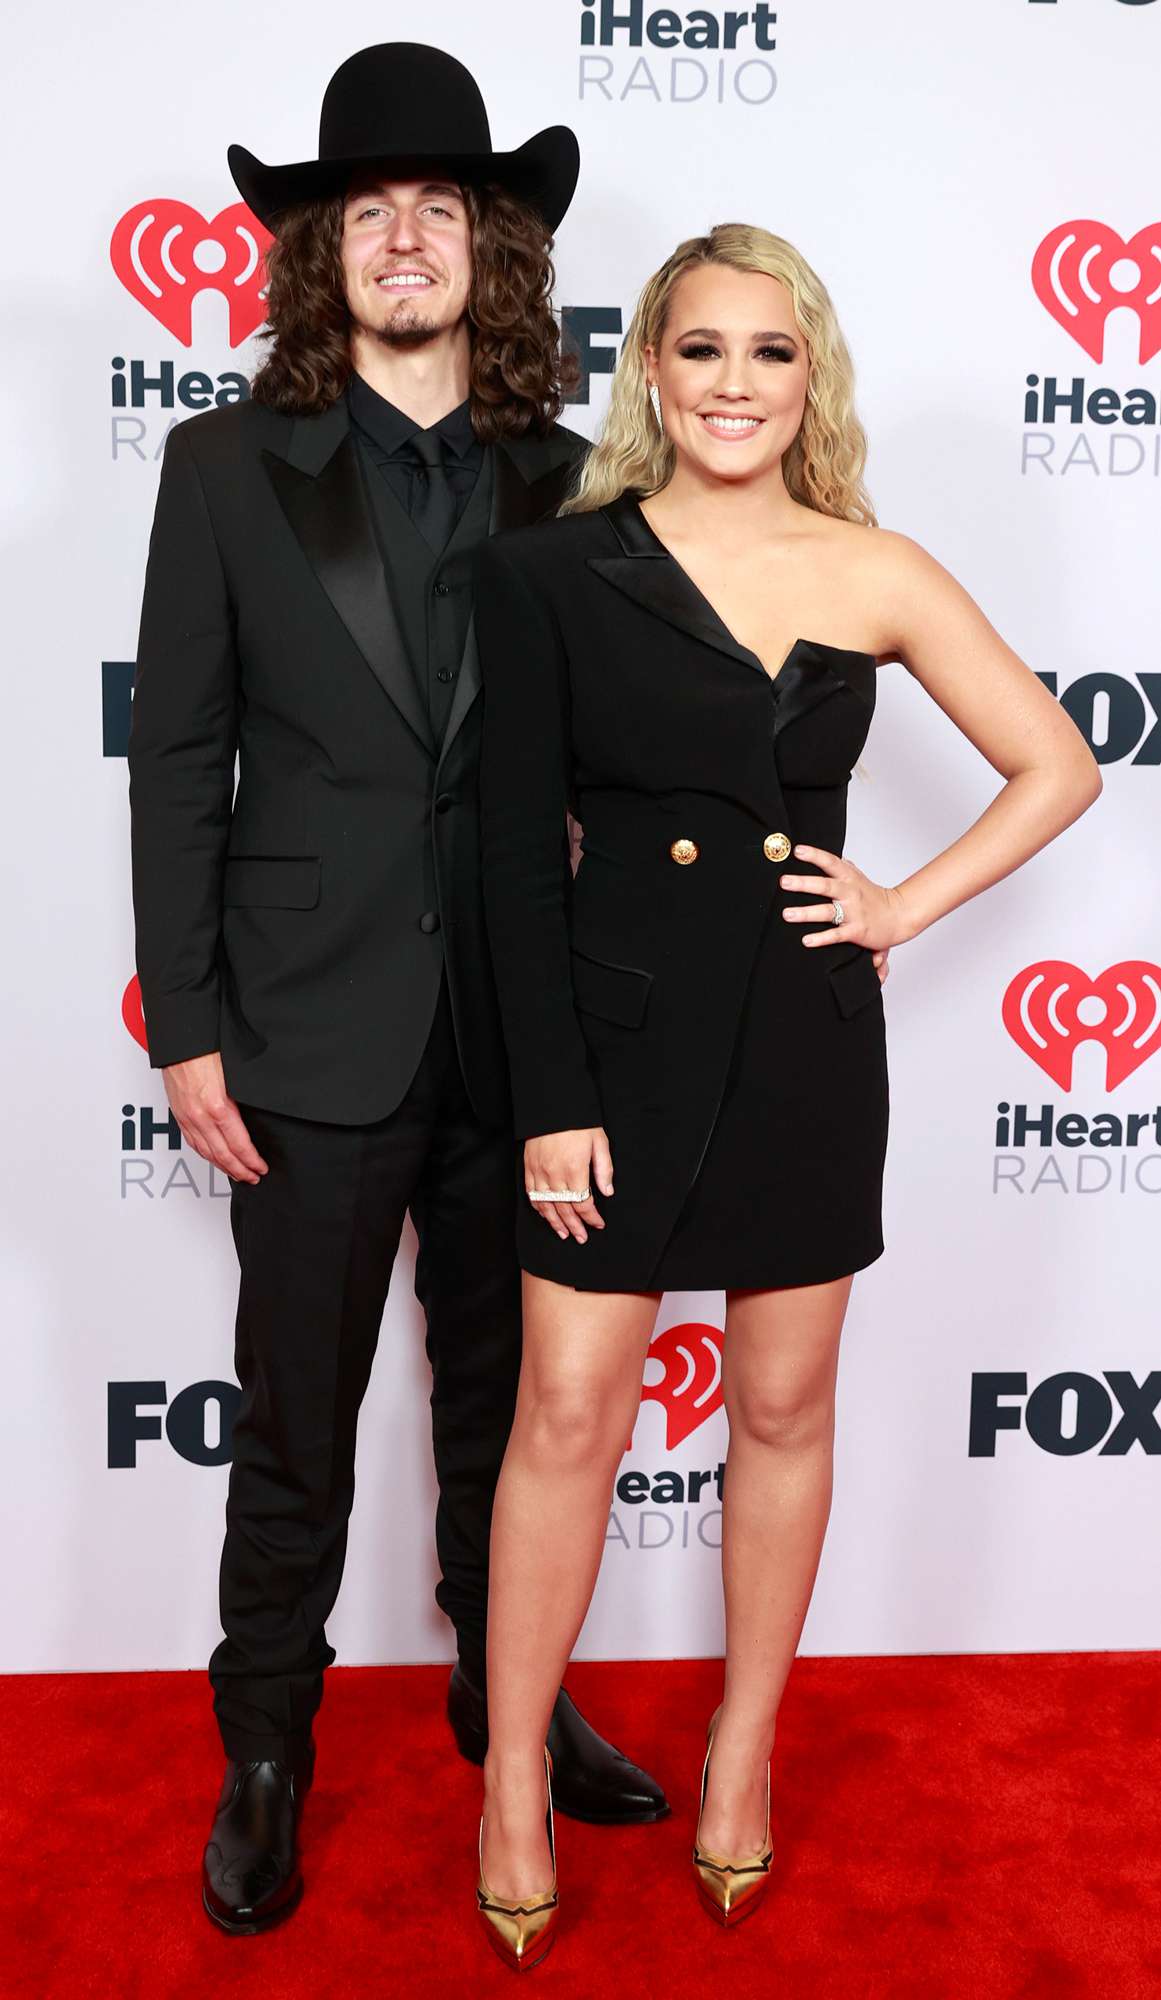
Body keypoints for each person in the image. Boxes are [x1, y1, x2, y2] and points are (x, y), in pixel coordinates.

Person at [471, 222, 1101, 1967]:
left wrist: (899, 901)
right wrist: (547, 1095)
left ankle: (742, 1751)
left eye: (768, 351)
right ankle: (514, 1772)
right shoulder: (550, 573)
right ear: (649, 375)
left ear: (805, 374)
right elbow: (516, 861)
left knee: (782, 1410)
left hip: (803, 1044)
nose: (733, 384)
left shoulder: (873, 567)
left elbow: (1056, 760)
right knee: (565, 1415)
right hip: (606, 1047)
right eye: (699, 350)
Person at [128, 41, 667, 1940]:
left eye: (443, 209)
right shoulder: (222, 466)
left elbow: (614, 747)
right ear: (320, 254)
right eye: (371, 214)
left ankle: (499, 1703)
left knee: (510, 1409)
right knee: (293, 1417)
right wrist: (186, 1024)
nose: (408, 241)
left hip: (528, 1039)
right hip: (305, 1025)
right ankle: (264, 1751)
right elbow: (182, 756)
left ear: (491, 250)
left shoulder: (573, 476)